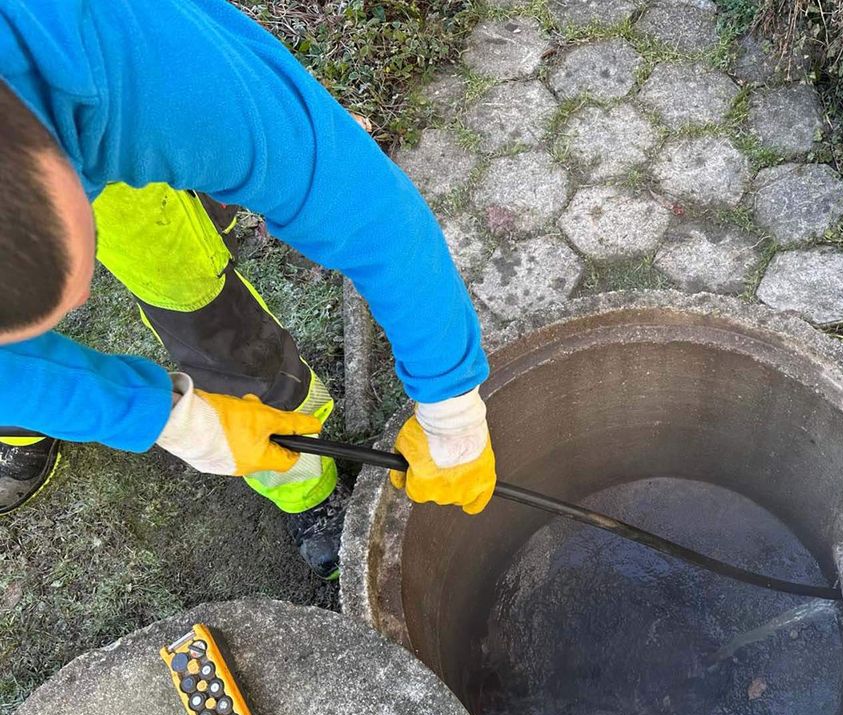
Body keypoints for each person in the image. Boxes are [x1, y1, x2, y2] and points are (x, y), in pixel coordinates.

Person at [0, 0, 496, 579]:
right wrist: (168, 419)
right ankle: (304, 489)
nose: (85, 301)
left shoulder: (147, 72)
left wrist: (452, 413)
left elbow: (378, 222)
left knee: (198, 285)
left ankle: (210, 193)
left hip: (133, 91)